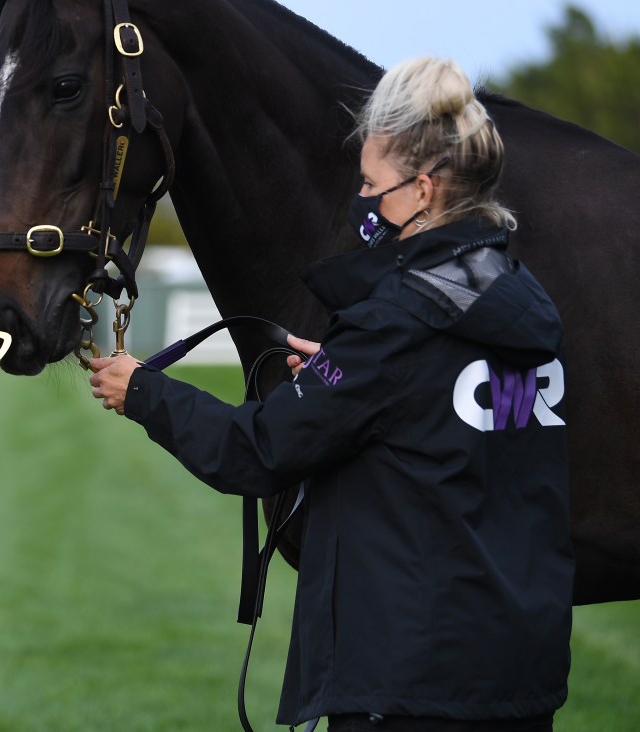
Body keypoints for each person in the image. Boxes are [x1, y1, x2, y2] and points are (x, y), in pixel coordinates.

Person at [88, 57, 573, 731]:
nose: (363, 199)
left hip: (408, 682)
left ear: (424, 189)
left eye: (372, 184)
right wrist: (342, 373)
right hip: (517, 676)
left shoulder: (394, 320)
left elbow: (256, 451)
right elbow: (436, 415)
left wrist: (142, 391)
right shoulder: (524, 298)